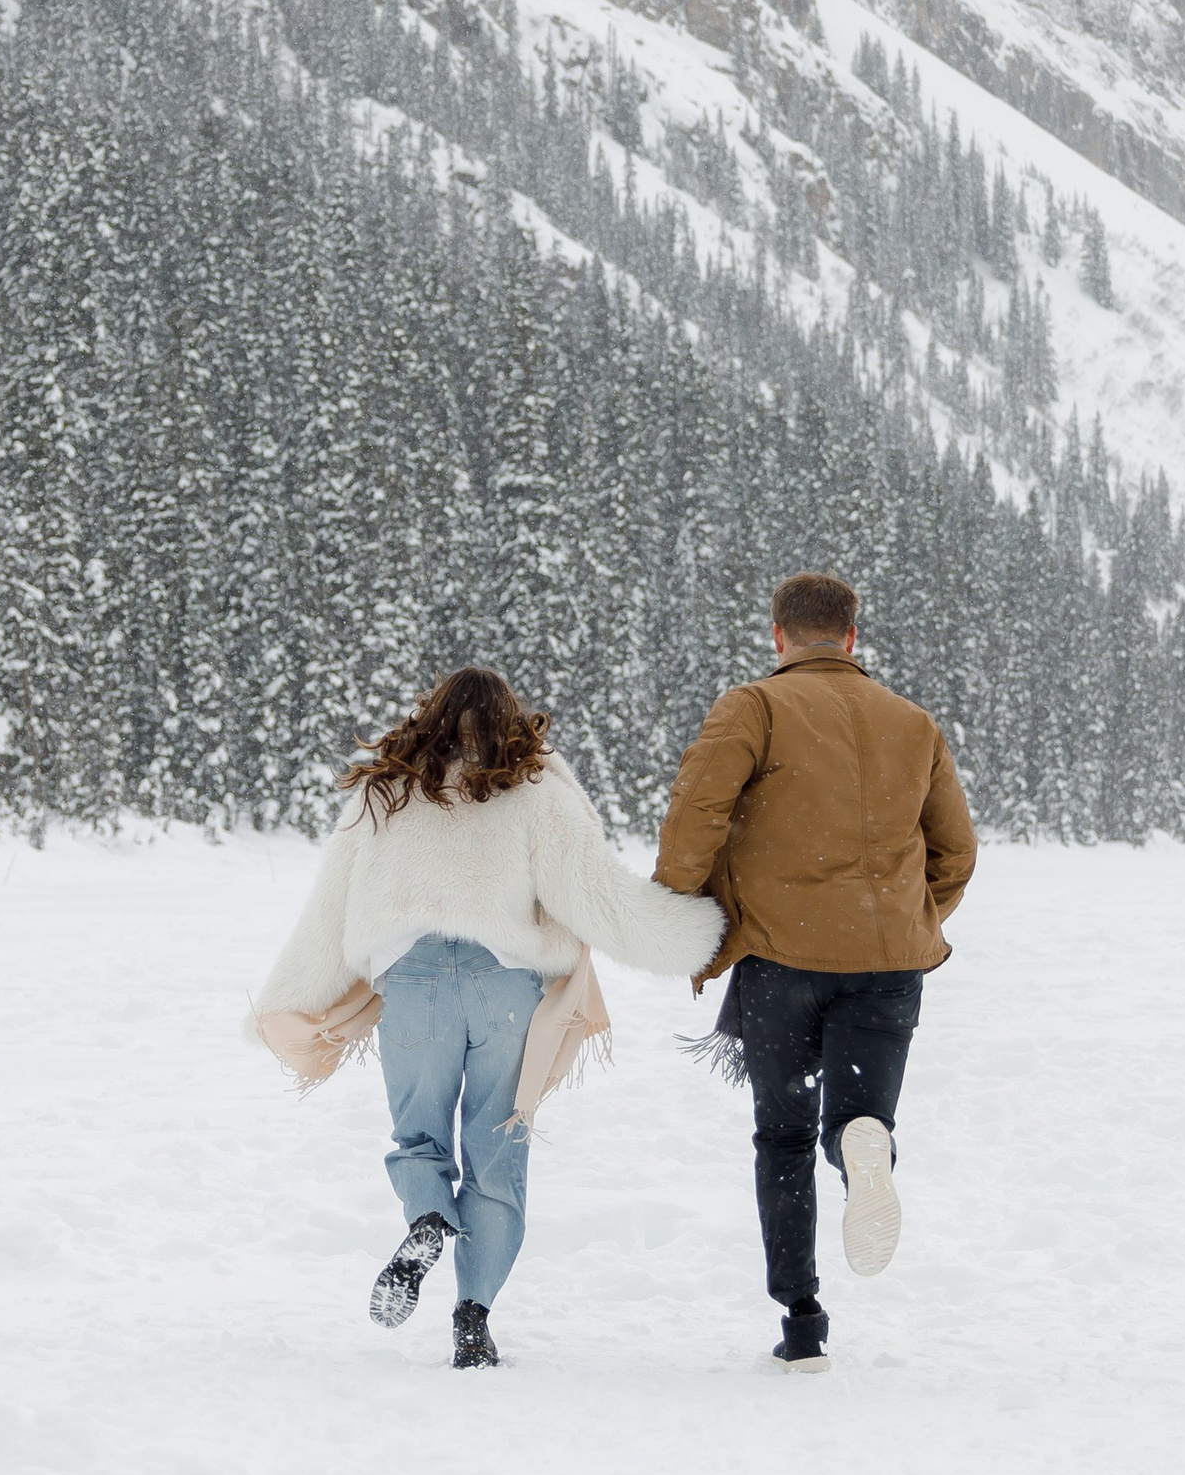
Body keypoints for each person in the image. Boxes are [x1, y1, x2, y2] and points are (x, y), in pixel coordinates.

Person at [252, 665, 724, 1366]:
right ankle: (472, 1315)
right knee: (498, 1152)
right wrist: (699, 934)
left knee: (418, 1134)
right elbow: (599, 901)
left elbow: (330, 910)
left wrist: (287, 999)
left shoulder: (385, 792)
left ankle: (426, 1218)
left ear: (429, 714)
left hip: (411, 983)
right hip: (504, 985)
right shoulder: (535, 795)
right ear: (513, 719)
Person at [655, 571, 978, 1366]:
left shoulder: (755, 707)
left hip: (782, 958)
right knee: (859, 1119)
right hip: (889, 966)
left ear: (779, 636)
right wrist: (911, 919)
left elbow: (697, 813)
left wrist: (679, 908)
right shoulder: (913, 722)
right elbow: (956, 851)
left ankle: (802, 1324)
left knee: (784, 1134)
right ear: (852, 637)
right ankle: (864, 1143)